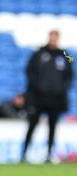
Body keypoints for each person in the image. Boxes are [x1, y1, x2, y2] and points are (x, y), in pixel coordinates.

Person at [22, 30, 72, 163]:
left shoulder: (65, 54)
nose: (53, 40)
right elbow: (29, 71)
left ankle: (49, 154)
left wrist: (61, 89)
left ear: (58, 39)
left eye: (56, 38)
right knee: (32, 125)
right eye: (51, 37)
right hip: (38, 98)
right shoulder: (39, 53)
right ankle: (24, 153)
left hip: (55, 99)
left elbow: (71, 70)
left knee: (52, 127)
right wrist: (36, 88)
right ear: (48, 38)